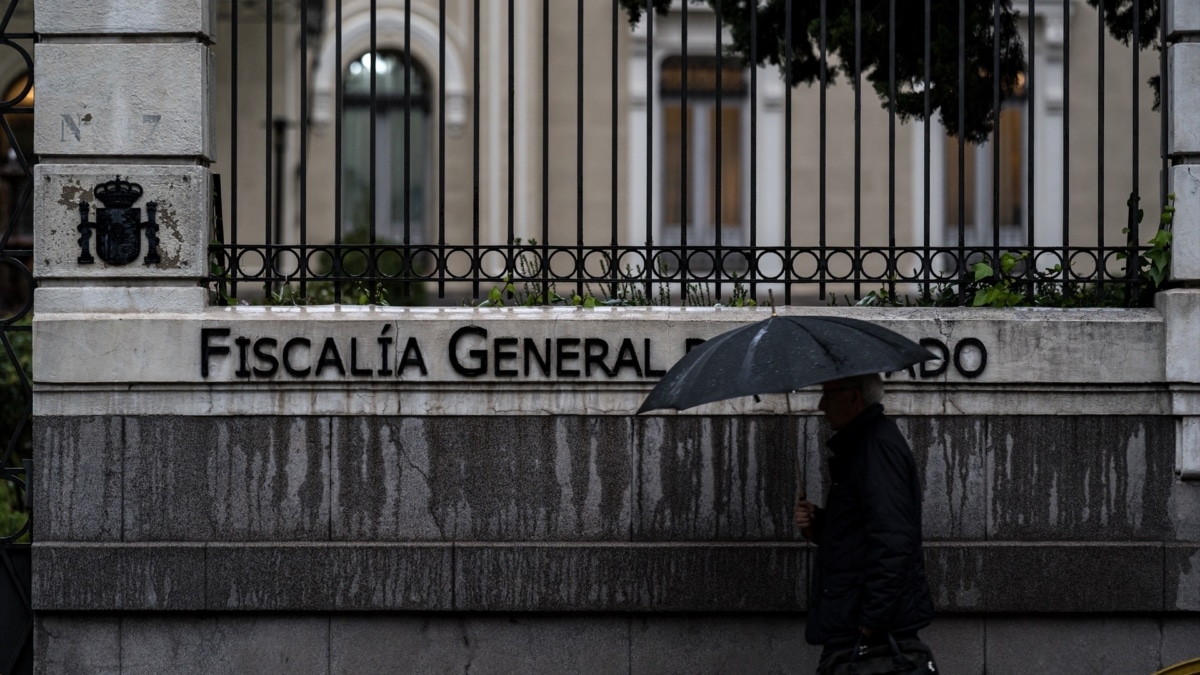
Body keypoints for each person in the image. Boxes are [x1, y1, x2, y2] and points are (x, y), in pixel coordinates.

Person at [794, 373, 934, 673]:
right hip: (854, 620)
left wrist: (872, 619)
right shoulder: (863, 446)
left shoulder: (876, 448)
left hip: (866, 628)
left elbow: (894, 540)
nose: (821, 404)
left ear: (854, 397)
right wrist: (818, 524)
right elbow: (862, 530)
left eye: (828, 394)